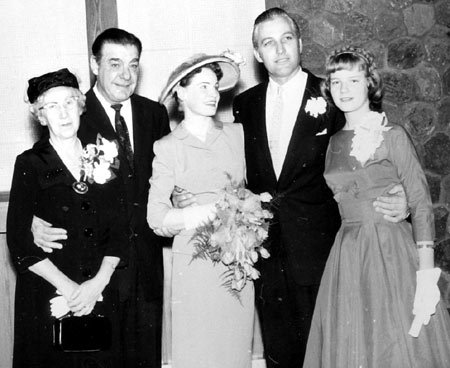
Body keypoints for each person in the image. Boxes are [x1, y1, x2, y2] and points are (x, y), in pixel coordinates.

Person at [230, 8, 410, 368]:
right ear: (257, 53)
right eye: (268, 43)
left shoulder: (334, 94)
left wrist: (403, 195)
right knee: (279, 353)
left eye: (286, 39)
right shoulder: (243, 105)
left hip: (324, 251)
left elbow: (378, 146)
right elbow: (234, 170)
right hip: (266, 253)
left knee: (330, 352)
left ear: (299, 43)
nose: (279, 50)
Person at [30, 28, 171, 367]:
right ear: (95, 66)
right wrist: (33, 220)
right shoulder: (72, 111)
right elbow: (43, 169)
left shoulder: (155, 114)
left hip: (147, 261)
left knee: (146, 354)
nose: (126, 75)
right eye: (115, 64)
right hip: (95, 268)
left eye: (134, 65)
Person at [303, 46, 450, 368]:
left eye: (353, 81)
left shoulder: (392, 135)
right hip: (347, 254)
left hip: (389, 252)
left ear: (370, 84)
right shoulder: (332, 142)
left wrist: (426, 276)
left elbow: (422, 204)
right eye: (337, 82)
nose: (344, 90)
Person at [7, 68, 127, 367]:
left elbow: (120, 230)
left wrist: (98, 283)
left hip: (99, 290)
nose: (63, 112)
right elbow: (20, 241)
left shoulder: (103, 156)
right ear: (40, 115)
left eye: (70, 102)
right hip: (51, 292)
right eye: (52, 105)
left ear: (80, 107)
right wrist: (71, 290)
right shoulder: (29, 164)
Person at [147, 54, 254, 368]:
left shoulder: (237, 135)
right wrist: (206, 212)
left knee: (234, 352)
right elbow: (156, 218)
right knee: (198, 354)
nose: (213, 94)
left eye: (216, 86)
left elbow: (253, 191)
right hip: (194, 267)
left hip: (237, 260)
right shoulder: (167, 146)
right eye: (203, 86)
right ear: (181, 92)